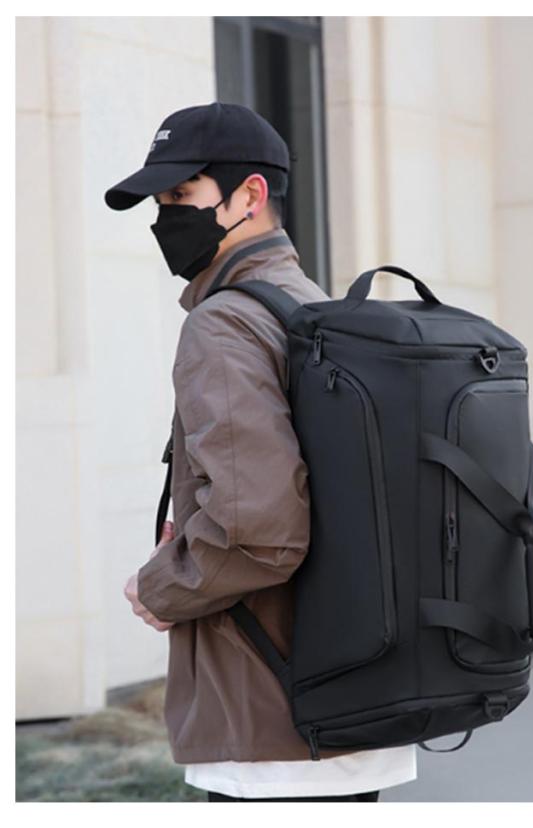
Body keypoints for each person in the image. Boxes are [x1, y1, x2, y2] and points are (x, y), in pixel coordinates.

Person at [106, 102, 417, 801]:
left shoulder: (224, 322)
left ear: (249, 195)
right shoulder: (313, 307)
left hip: (269, 720)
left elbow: (258, 530)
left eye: (180, 196)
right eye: (159, 203)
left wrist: (160, 587)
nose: (164, 219)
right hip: (351, 700)